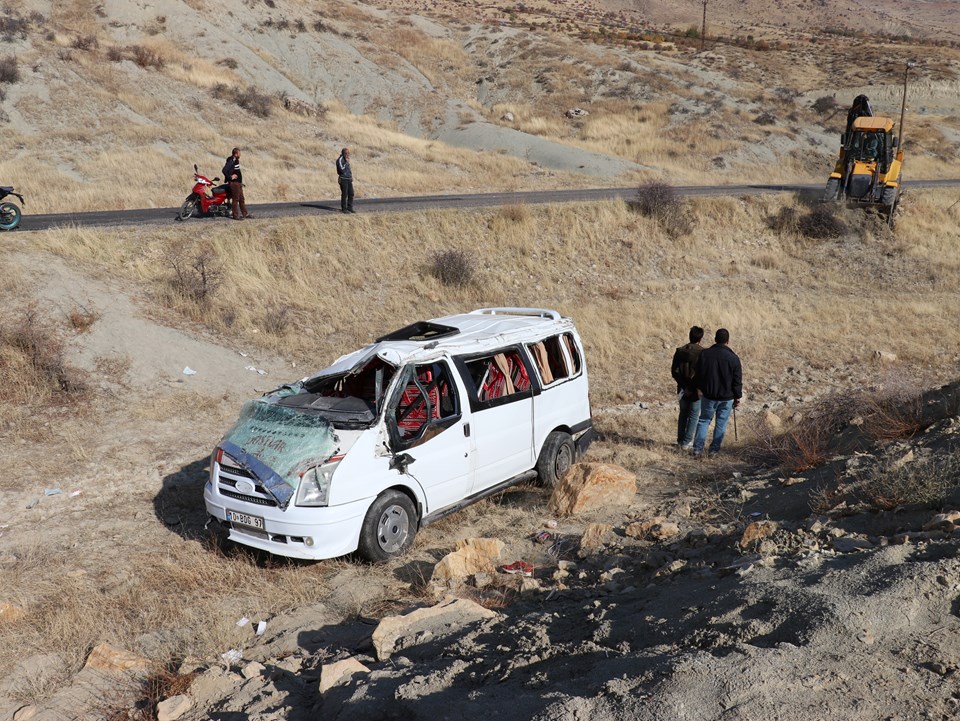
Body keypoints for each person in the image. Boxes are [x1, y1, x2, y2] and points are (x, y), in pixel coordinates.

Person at [692, 328, 742, 457]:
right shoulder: (733, 358)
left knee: (703, 420)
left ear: (715, 339)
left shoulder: (704, 354)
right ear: (728, 341)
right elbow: (737, 380)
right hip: (727, 397)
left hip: (708, 395)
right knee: (721, 423)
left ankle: (697, 449)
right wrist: (737, 397)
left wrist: (700, 388)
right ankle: (714, 450)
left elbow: (698, 374)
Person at [671, 325, 704, 450]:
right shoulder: (702, 353)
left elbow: (674, 371)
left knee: (683, 413)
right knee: (694, 415)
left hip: (682, 389)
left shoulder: (679, 351)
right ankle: (686, 442)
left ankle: (680, 440)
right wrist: (692, 387)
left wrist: (684, 387)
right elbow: (701, 374)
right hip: (696, 390)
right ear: (700, 338)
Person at [222, 147, 251, 221]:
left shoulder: (235, 160)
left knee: (242, 199)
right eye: (239, 153)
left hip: (238, 183)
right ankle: (235, 215)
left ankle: (245, 214)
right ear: (235, 154)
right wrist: (230, 177)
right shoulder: (232, 160)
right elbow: (224, 170)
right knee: (236, 199)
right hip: (234, 184)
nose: (240, 154)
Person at [336, 147, 355, 213]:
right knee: (345, 194)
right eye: (346, 153)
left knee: (351, 193)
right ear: (343, 153)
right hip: (343, 179)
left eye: (348, 153)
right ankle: (344, 209)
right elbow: (342, 170)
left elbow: (348, 169)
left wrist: (351, 176)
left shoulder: (346, 159)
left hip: (348, 179)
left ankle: (350, 207)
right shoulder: (340, 160)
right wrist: (346, 163)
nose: (347, 154)